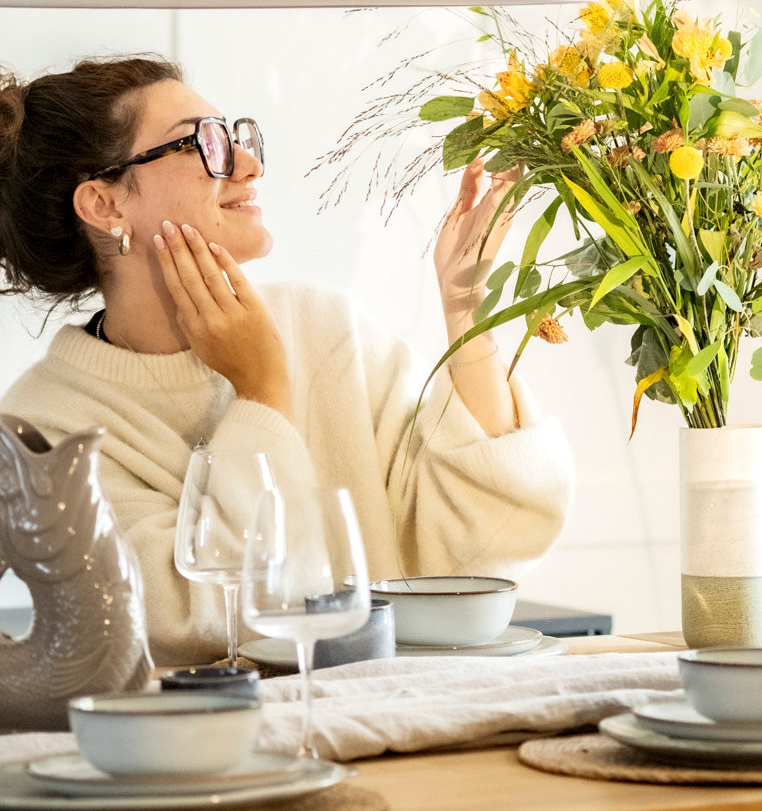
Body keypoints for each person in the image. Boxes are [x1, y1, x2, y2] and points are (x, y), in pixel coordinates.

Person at [0, 56, 574, 665]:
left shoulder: (323, 328)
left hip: (404, 728)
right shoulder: (45, 428)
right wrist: (260, 390)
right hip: (222, 749)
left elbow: (479, 544)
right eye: (205, 144)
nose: (249, 165)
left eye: (239, 137)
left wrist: (467, 310)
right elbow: (199, 625)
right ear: (104, 204)